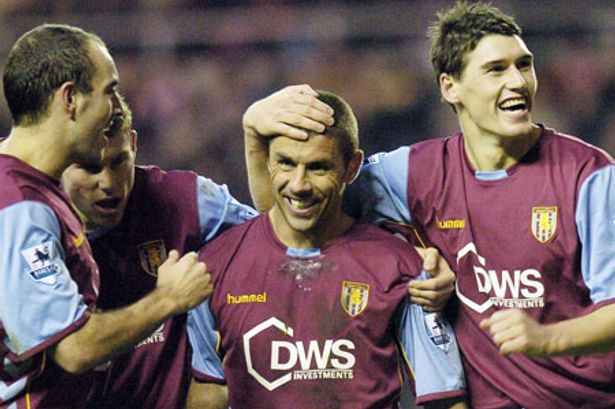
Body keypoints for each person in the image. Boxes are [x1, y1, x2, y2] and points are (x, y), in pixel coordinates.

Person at [244, 3, 615, 408]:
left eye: (523, 65)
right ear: (450, 87)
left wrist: (547, 338)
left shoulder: (589, 175)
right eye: (496, 70)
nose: (518, 81)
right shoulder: (414, 174)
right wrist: (253, 132)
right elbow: (288, 222)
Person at [187, 91, 467, 409]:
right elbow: (209, 386)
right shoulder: (215, 267)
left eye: (318, 167)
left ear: (352, 167)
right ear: (267, 161)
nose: (299, 185)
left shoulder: (400, 266)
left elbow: (443, 398)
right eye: (286, 163)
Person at [0, 24, 211, 409]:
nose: (116, 108)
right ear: (70, 99)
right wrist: (167, 298)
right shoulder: (19, 207)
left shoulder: (31, 187)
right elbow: (75, 349)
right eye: (109, 91)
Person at [61, 95, 262, 408]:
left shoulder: (184, 201)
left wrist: (213, 370)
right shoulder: (30, 225)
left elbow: (270, 243)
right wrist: (168, 298)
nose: (109, 182)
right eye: (91, 168)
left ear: (133, 144)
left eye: (118, 162)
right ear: (59, 159)